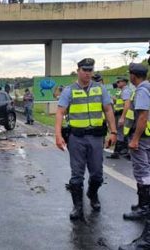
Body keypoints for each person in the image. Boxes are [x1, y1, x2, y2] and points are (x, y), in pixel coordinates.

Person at [55, 58, 117, 220]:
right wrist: (58, 135)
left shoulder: (100, 89)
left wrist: (114, 132)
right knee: (77, 175)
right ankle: (77, 207)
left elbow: (108, 110)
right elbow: (60, 113)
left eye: (91, 70)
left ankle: (92, 193)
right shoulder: (69, 91)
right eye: (85, 70)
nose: (88, 73)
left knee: (97, 174)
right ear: (78, 71)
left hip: (96, 137)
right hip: (76, 138)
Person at [119, 63, 150, 249]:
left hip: (143, 138)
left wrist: (135, 138)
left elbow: (143, 116)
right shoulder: (143, 88)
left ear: (133, 75)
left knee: (143, 174)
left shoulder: (142, 90)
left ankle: (145, 207)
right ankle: (143, 207)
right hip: (146, 137)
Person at [107, 76, 132, 159]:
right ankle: (119, 152)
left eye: (118, 82)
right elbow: (118, 102)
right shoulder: (121, 91)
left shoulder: (126, 91)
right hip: (118, 114)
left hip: (122, 114)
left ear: (124, 82)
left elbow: (127, 104)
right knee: (120, 133)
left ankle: (122, 152)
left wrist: (122, 117)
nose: (117, 83)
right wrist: (112, 98)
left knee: (122, 133)